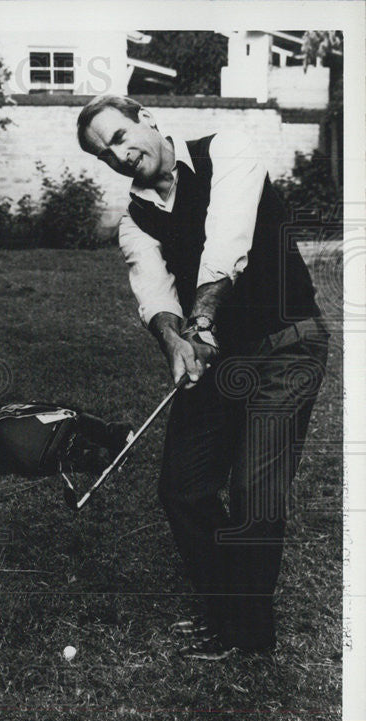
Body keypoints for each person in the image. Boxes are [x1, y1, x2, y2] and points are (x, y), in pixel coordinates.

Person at [76, 95, 329, 660]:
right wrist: (175, 342)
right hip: (219, 357)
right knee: (183, 488)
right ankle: (223, 608)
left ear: (146, 118)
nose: (117, 156)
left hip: (288, 346)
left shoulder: (229, 151)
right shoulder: (134, 221)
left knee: (252, 492)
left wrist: (204, 319)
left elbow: (227, 241)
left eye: (118, 137)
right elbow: (154, 294)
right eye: (102, 154)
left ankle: (248, 636)